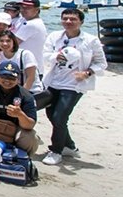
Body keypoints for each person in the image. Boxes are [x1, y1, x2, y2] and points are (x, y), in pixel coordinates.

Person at [41, 9, 107, 166]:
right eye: (65, 19)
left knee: (60, 116)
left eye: (73, 19)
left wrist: (87, 72)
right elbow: (45, 54)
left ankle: (56, 151)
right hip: (53, 82)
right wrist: (56, 56)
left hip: (74, 85)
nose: (68, 22)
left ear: (81, 22)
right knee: (52, 115)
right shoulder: (55, 36)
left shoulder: (90, 40)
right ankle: (69, 146)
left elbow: (101, 63)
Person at [0, 30, 43, 99]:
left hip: (30, 91)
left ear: (14, 42)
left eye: (8, 41)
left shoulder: (25, 54)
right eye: (1, 41)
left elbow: (31, 78)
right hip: (11, 91)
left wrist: (21, 96)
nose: (5, 43)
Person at [13, 0, 48, 73]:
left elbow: (12, 43)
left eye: (28, 8)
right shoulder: (23, 20)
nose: (23, 10)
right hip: (27, 65)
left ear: (37, 10)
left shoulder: (32, 24)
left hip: (29, 68)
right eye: (22, 7)